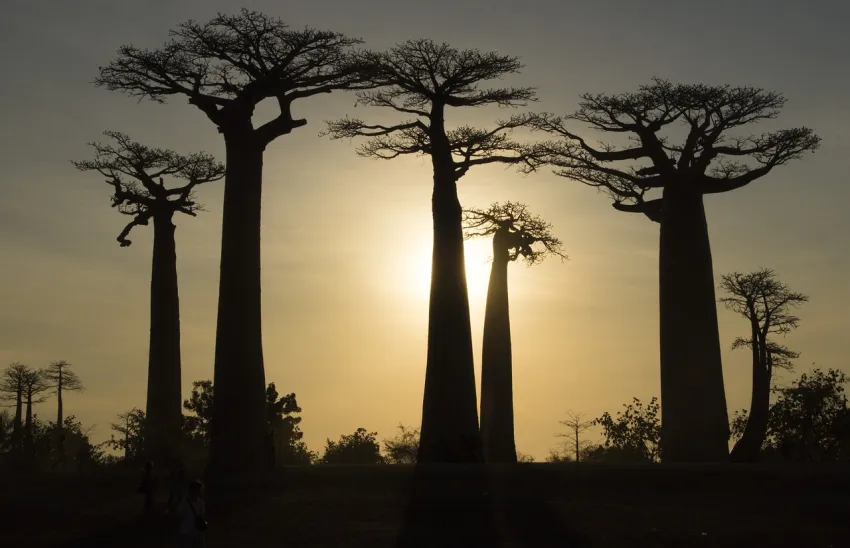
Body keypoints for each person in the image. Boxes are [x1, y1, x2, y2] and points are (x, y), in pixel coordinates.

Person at [175, 479, 207, 547]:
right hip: (187, 533)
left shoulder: (201, 503)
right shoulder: (184, 503)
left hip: (196, 533)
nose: (198, 492)